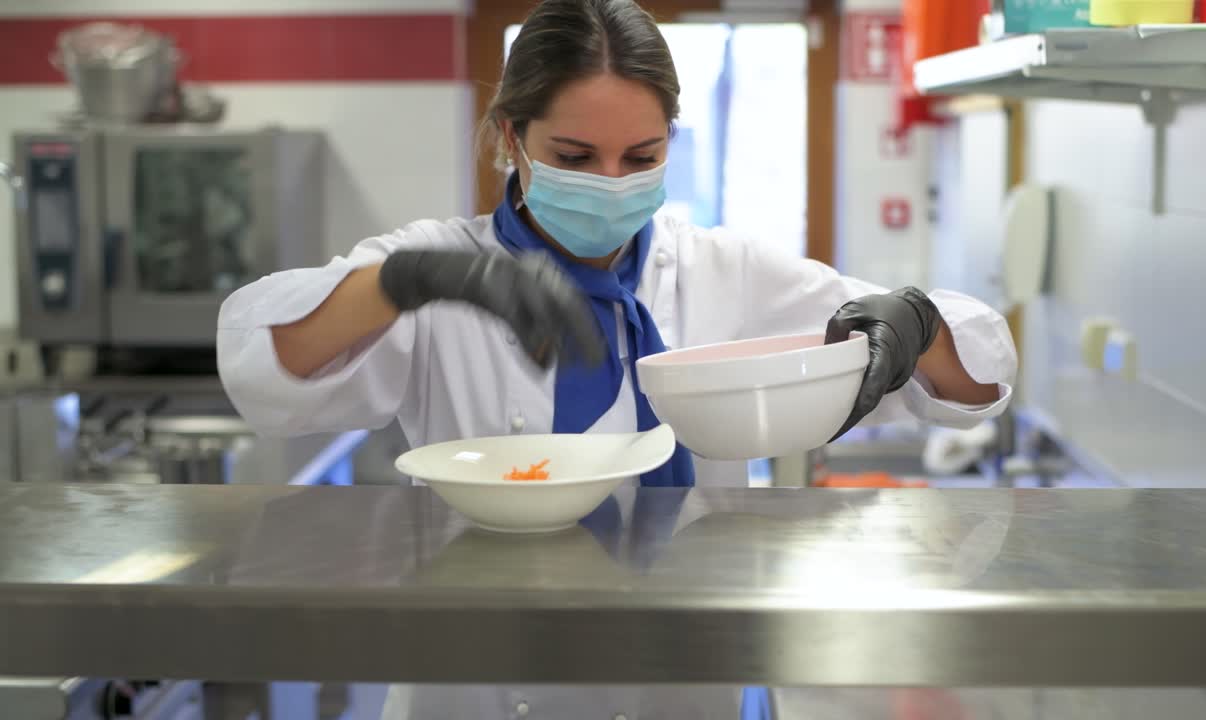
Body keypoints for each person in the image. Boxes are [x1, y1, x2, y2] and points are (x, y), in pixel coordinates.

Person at [216, 0, 1016, 716]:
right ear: (510, 139)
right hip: (483, 686)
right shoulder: (439, 266)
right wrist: (405, 283)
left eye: (640, 158)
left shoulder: (721, 271)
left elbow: (974, 374)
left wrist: (917, 323)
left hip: (689, 682)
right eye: (572, 156)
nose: (609, 185)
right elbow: (262, 366)